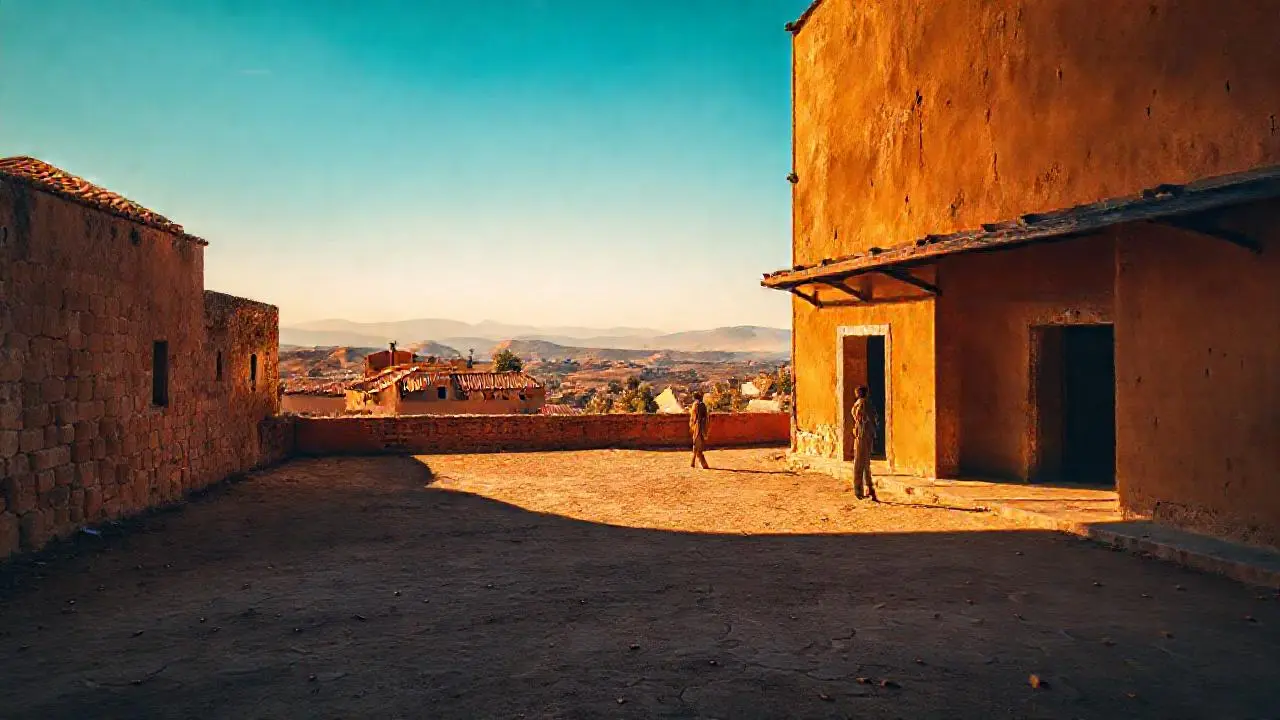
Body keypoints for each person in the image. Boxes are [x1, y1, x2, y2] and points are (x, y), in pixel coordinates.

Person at [851, 386, 878, 501]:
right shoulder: (863, 404)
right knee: (864, 463)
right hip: (863, 435)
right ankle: (867, 488)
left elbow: (865, 419)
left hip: (861, 436)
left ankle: (860, 489)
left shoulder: (862, 404)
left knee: (859, 463)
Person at [689, 391, 710, 469]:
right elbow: (703, 417)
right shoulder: (701, 405)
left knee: (695, 445)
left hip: (695, 427)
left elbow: (693, 418)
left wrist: (692, 427)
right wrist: (704, 430)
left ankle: (692, 462)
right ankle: (703, 464)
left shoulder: (694, 405)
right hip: (700, 428)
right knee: (699, 447)